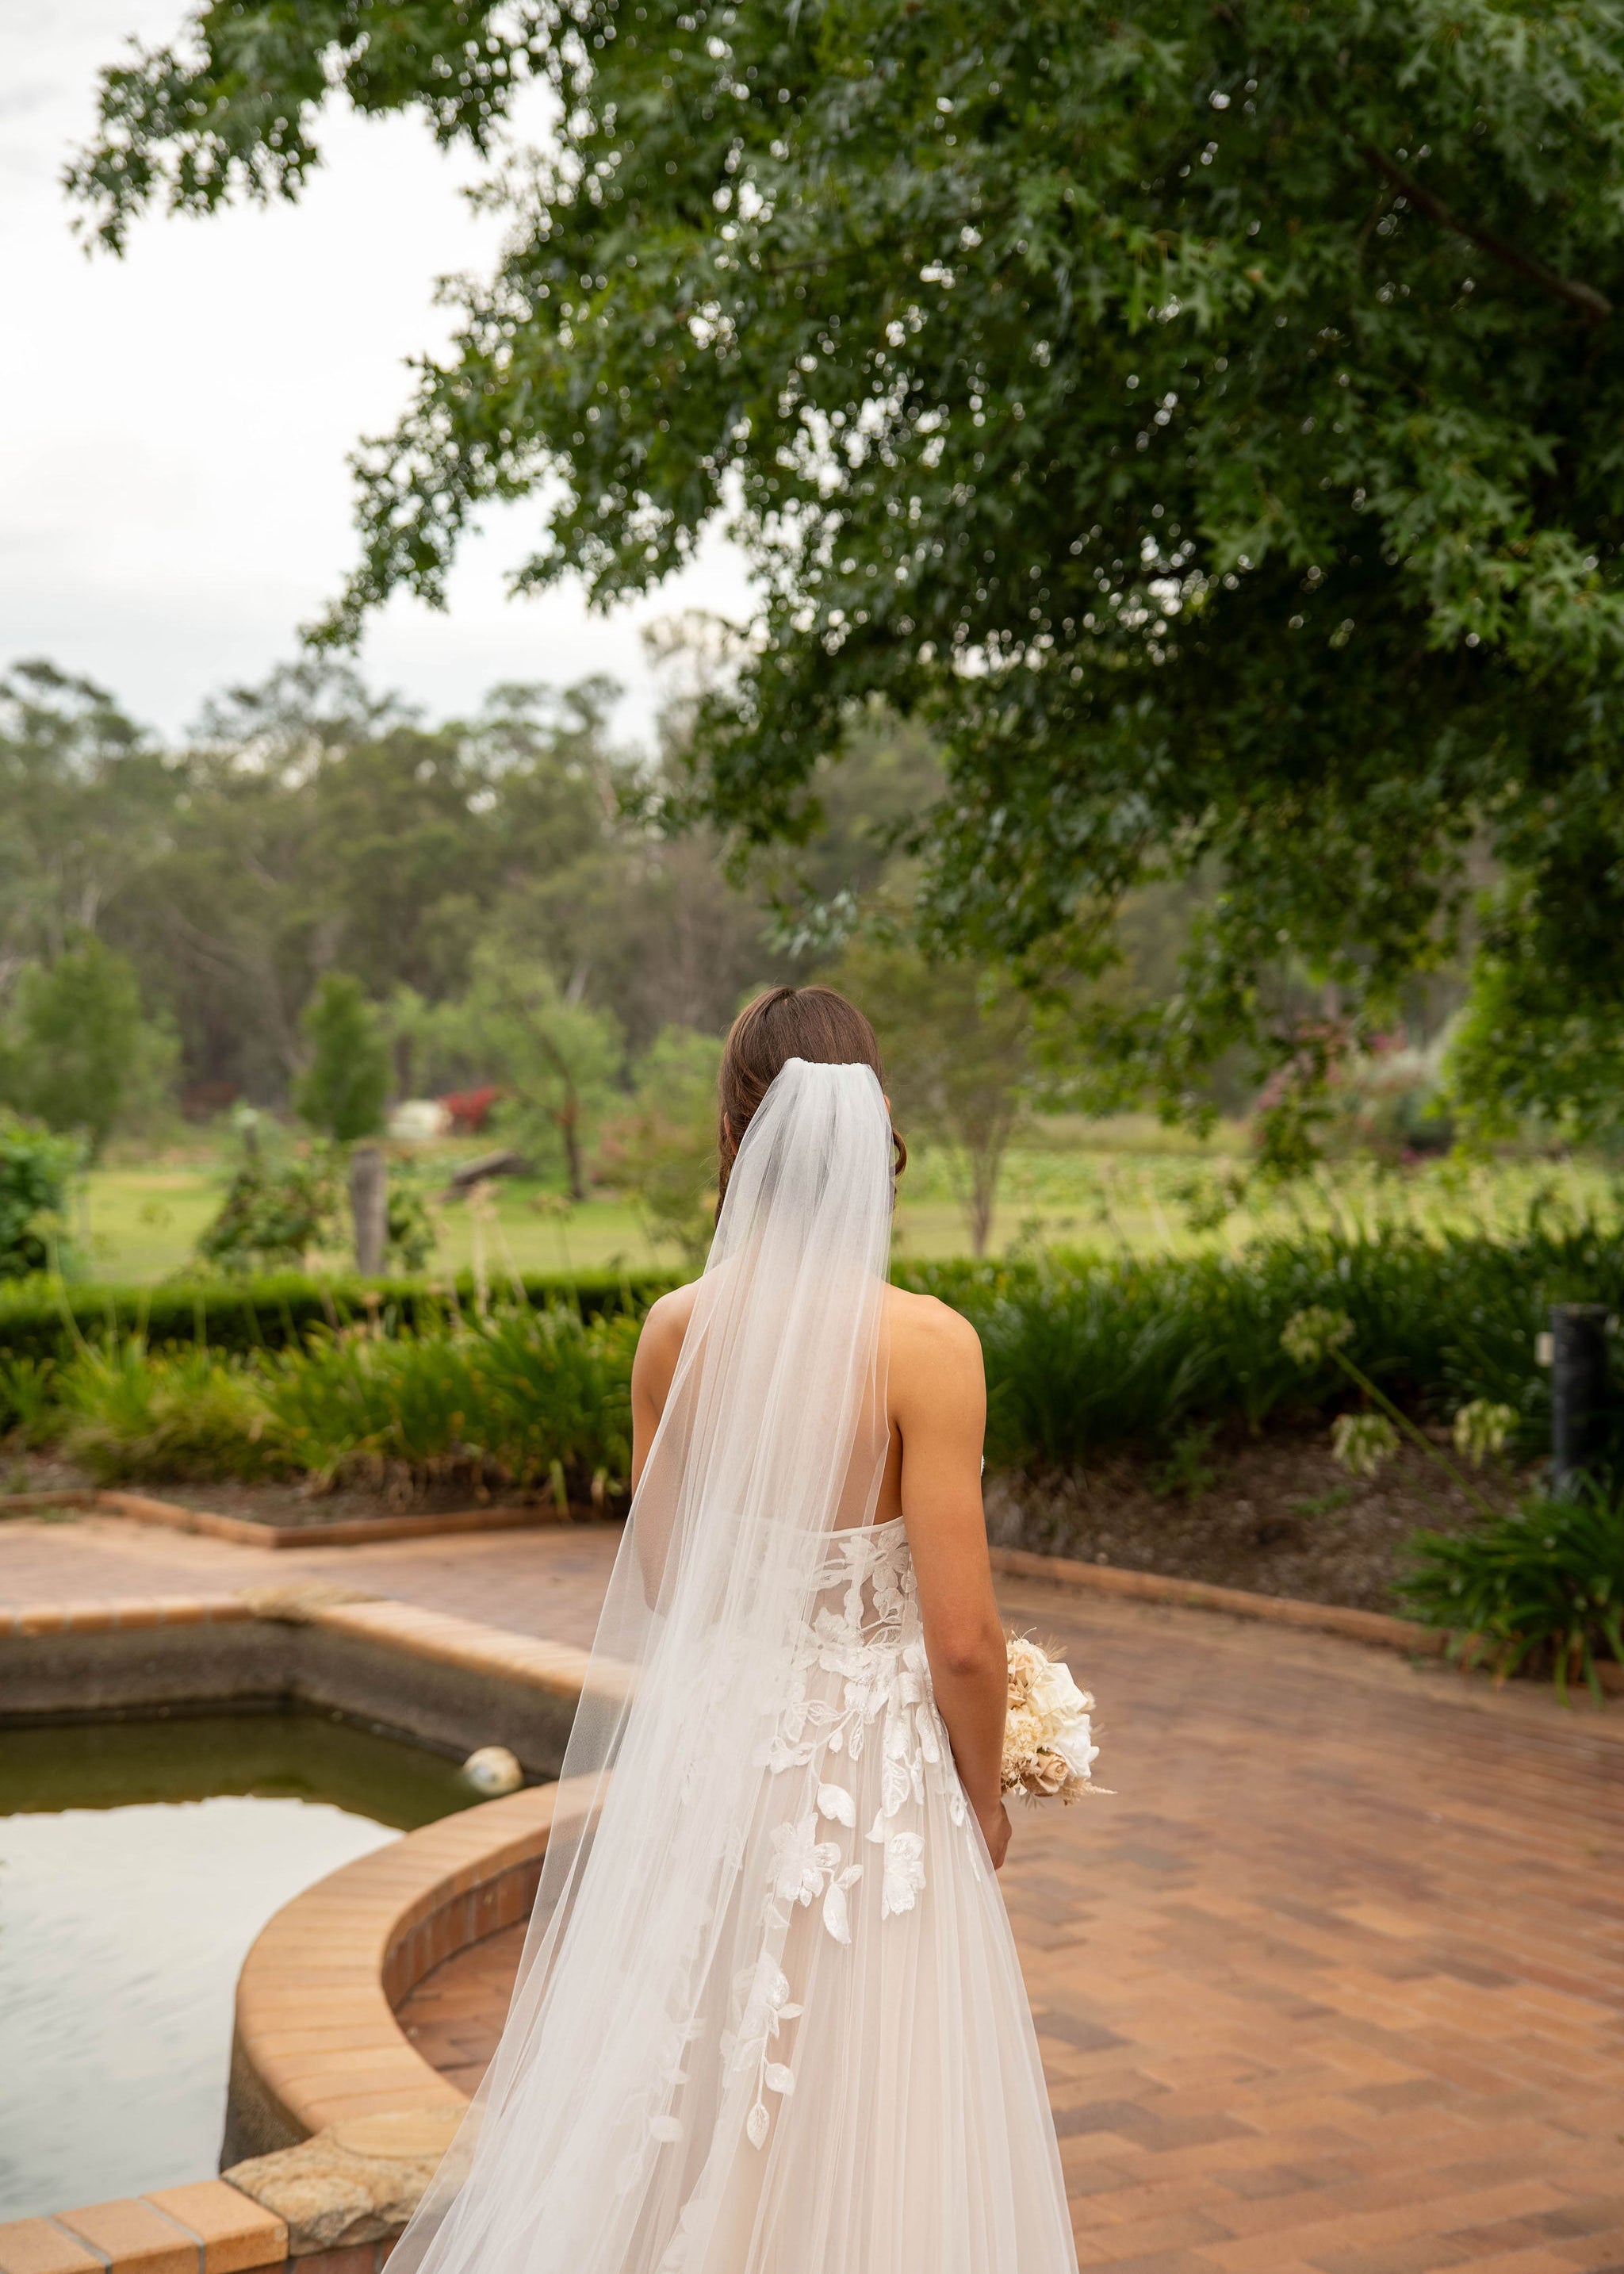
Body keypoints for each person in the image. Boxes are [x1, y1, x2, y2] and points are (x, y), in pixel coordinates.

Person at [390, 986, 1079, 2274]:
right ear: (876, 1133)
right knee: (869, 2091)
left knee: (687, 2074)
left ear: (734, 1132)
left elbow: (667, 1575)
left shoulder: (675, 1334)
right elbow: (967, 1641)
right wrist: (984, 1792)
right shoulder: (929, 1347)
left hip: (715, 1760)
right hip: (870, 1781)